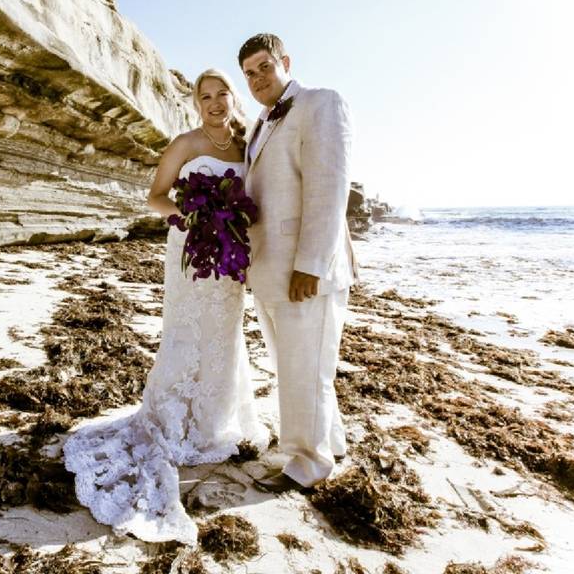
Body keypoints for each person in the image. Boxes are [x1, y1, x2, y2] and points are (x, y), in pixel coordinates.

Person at [63, 68, 268, 544]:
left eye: (222, 95)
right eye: (205, 97)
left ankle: (214, 422)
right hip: (190, 251)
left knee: (224, 333)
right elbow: (156, 197)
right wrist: (192, 217)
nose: (215, 103)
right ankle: (173, 420)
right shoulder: (185, 143)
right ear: (196, 103)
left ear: (233, 99)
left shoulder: (247, 149)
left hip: (230, 257)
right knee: (186, 330)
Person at [237, 33, 356, 490]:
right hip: (267, 267)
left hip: (305, 270)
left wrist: (312, 263)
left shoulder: (320, 103)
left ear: (285, 61)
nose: (257, 78)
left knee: (306, 365)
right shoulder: (259, 124)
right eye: (248, 73)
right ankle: (332, 441)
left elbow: (329, 189)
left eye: (264, 67)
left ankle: (307, 465)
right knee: (299, 364)